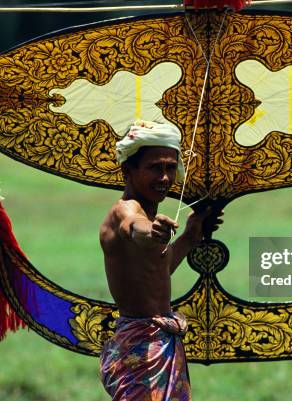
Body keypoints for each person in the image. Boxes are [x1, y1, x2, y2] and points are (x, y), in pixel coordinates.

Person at [99, 120, 221, 401]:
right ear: (127, 171)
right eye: (155, 167)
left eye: (170, 168)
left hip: (160, 342)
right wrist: (152, 231)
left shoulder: (149, 212)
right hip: (142, 348)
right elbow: (135, 228)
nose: (165, 178)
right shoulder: (126, 212)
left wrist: (190, 237)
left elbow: (157, 271)